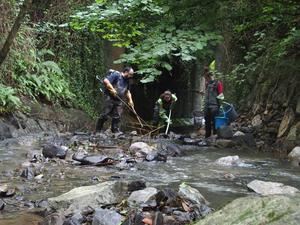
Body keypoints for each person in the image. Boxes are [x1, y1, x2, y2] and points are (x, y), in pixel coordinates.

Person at [95, 67, 134, 133]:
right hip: (110, 97)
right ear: (126, 72)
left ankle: (115, 130)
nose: (131, 76)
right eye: (130, 74)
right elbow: (106, 81)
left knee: (117, 116)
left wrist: (130, 100)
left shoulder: (127, 80)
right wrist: (112, 89)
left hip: (119, 100)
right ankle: (98, 130)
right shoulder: (116, 75)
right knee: (105, 114)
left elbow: (127, 91)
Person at [202, 67, 224, 138]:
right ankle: (207, 137)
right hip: (207, 107)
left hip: (214, 107)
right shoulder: (207, 84)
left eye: (206, 78)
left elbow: (221, 95)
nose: (206, 79)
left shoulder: (218, 83)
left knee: (215, 122)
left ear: (209, 76)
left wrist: (221, 105)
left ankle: (215, 137)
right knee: (207, 123)